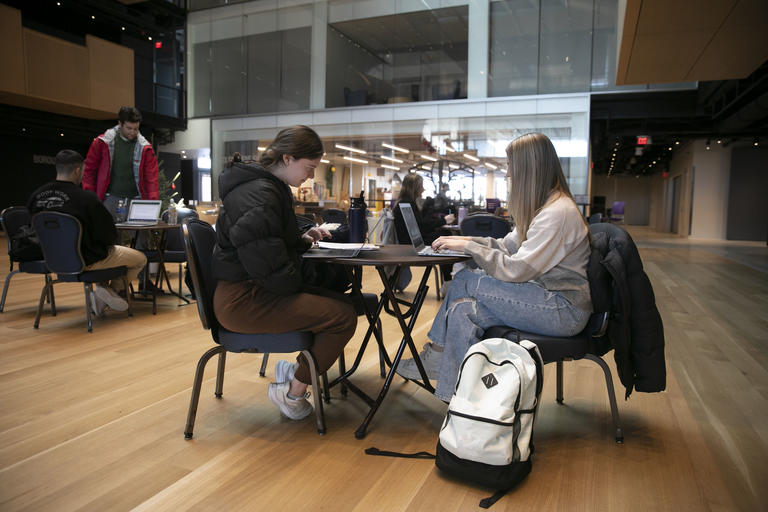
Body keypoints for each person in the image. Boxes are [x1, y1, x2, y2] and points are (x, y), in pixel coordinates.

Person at [396, 133, 593, 402]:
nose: (508, 173)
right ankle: (456, 403)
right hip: (546, 299)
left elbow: (517, 270)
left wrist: (469, 249)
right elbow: (507, 246)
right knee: (463, 308)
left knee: (465, 281)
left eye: (511, 166)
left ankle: (436, 356)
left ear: (528, 169)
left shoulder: (557, 213)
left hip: (562, 309)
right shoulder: (545, 208)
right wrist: (464, 240)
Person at [211, 126, 358, 421]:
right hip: (244, 301)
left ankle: (296, 373)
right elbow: (274, 272)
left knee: (338, 303)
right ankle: (292, 392)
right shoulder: (260, 196)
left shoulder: (263, 188)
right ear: (288, 158)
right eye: (310, 167)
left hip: (249, 290)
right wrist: (310, 281)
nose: (312, 176)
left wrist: (300, 239)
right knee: (342, 317)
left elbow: (268, 248)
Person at [27, 150, 147, 316]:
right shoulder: (86, 199)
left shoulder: (35, 197)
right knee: (139, 259)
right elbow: (109, 236)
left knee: (103, 253)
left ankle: (102, 294)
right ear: (78, 170)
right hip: (87, 260)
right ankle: (110, 291)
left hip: (52, 260)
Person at [82, 106, 159, 218]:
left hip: (136, 199)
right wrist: (91, 198)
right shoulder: (102, 143)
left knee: (142, 235)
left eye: (136, 128)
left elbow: (151, 179)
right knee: (107, 234)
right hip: (109, 198)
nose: (133, 132)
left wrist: (152, 204)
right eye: (129, 128)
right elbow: (89, 171)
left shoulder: (145, 148)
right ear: (120, 124)